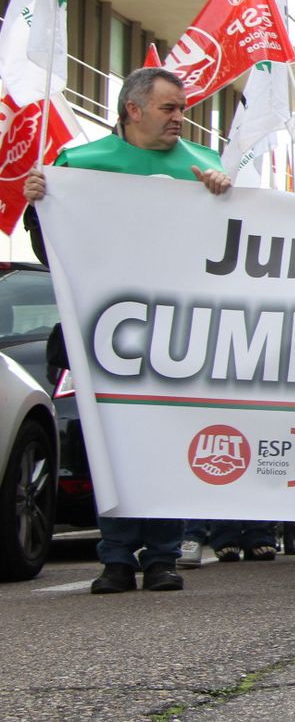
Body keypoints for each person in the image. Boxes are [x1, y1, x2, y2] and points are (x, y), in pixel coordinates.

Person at [22, 67, 232, 595]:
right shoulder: (79, 164)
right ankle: (115, 558)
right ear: (133, 110)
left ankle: (162, 556)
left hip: (178, 334)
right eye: (169, 108)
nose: (181, 119)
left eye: (183, 108)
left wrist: (225, 199)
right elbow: (54, 253)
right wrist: (39, 204)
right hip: (103, 335)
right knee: (110, 443)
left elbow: (233, 250)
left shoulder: (205, 167)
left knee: (167, 441)